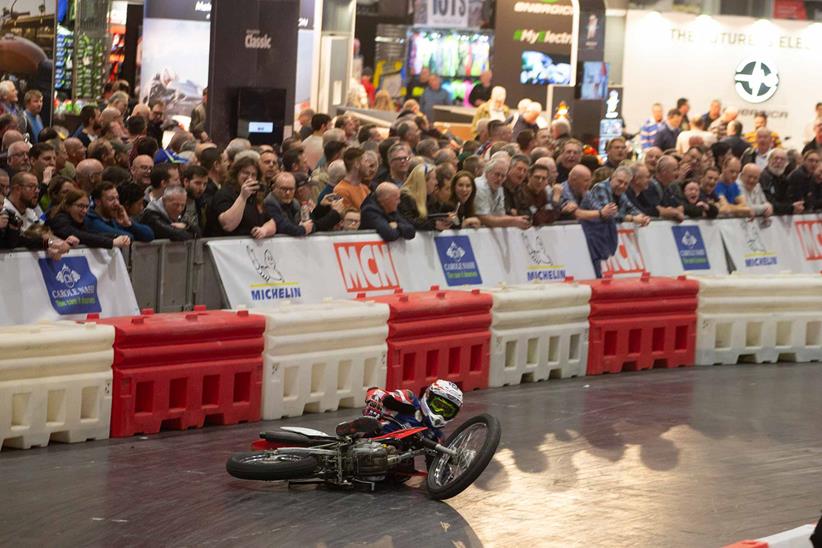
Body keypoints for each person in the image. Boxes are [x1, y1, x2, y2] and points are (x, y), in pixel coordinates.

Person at [581, 165, 650, 277]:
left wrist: (643, 217)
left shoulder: (621, 193)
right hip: (593, 235)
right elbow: (608, 215)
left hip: (606, 238)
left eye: (626, 184)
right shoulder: (600, 188)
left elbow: (631, 208)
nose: (622, 186)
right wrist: (632, 218)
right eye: (619, 181)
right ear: (612, 177)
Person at [362, 379, 463, 441]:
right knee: (371, 422)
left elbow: (439, 471)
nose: (440, 412)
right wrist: (374, 402)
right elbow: (377, 392)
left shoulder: (437, 437)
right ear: (428, 395)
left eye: (447, 411)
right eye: (438, 405)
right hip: (376, 437)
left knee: (422, 476)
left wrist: (458, 457)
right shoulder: (410, 400)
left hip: (398, 466)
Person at [206, 156, 276, 238]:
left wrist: (264, 230)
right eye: (245, 173)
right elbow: (228, 225)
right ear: (236, 174)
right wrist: (243, 197)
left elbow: (272, 222)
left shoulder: (257, 195)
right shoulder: (224, 194)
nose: (249, 178)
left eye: (253, 175)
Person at [46, 189, 131, 249]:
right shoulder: (58, 219)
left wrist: (115, 237)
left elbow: (89, 233)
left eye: (87, 207)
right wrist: (112, 242)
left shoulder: (77, 221)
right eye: (80, 206)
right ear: (68, 206)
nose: (85, 211)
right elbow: (80, 235)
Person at [86, 181, 154, 242]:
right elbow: (127, 237)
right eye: (111, 199)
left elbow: (149, 235)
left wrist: (129, 224)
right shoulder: (90, 220)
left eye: (117, 198)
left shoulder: (116, 219)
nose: (116, 203)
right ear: (98, 202)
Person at [398, 163, 455, 231]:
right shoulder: (405, 197)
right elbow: (408, 222)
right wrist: (434, 224)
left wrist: (444, 219)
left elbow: (431, 218)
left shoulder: (430, 198)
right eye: (434, 179)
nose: (436, 182)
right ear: (424, 181)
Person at [513, 161, 562, 226]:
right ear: (529, 176)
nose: (540, 181)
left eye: (543, 178)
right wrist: (544, 212)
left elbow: (553, 217)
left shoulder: (543, 193)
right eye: (537, 177)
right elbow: (535, 220)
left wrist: (555, 200)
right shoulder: (521, 192)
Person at [759, 148, 804, 215]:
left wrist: (794, 206)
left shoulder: (784, 179)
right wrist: (790, 207)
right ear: (768, 160)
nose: (778, 161)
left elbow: (787, 199)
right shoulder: (764, 177)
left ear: (786, 163)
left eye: (782, 159)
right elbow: (769, 201)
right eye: (776, 158)